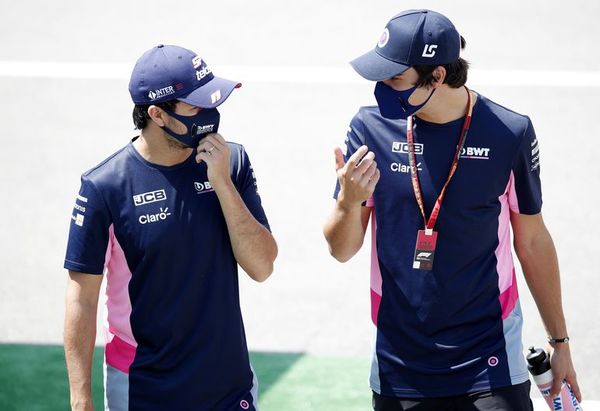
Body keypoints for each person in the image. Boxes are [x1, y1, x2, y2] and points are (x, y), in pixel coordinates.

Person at [323, 9, 581, 411]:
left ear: (438, 75)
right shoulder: (368, 128)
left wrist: (560, 342)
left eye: (395, 78)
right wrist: (348, 198)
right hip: (400, 361)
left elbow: (531, 241)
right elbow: (340, 249)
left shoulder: (509, 132)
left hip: (490, 354)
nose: (382, 88)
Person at [63, 44, 277, 411]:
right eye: (196, 107)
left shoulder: (232, 162)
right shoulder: (105, 187)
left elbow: (262, 266)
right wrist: (81, 401)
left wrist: (222, 184)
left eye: (213, 103)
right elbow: (82, 298)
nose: (210, 115)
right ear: (157, 115)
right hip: (142, 386)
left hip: (227, 382)